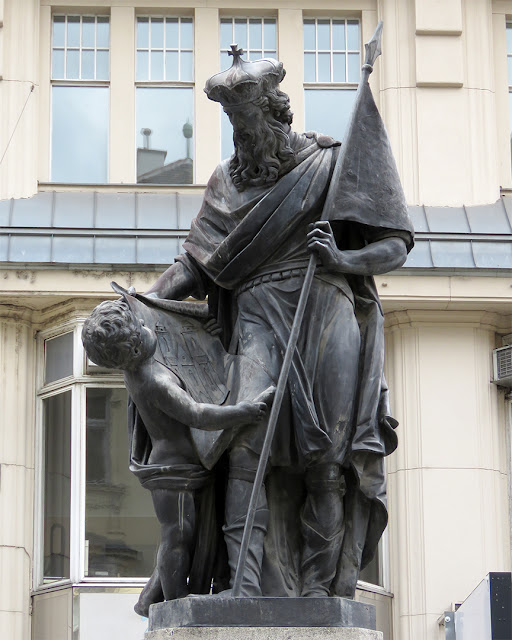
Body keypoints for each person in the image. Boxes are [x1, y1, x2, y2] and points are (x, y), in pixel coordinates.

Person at [143, 48, 414, 598]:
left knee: (330, 456)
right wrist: (145, 301)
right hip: (256, 315)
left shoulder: (330, 163)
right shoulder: (226, 180)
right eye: (235, 128)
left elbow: (394, 243)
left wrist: (344, 259)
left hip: (326, 304)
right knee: (244, 441)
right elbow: (196, 262)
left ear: (276, 113)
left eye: (250, 124)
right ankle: (242, 586)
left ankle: (320, 591)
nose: (244, 141)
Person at [82, 297, 273, 610]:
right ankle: (174, 603)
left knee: (181, 535)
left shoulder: (138, 369)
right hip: (174, 474)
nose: (147, 327)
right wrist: (244, 412)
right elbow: (197, 415)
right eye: (141, 328)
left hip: (178, 468)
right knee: (178, 536)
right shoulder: (156, 381)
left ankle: (148, 600)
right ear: (132, 349)